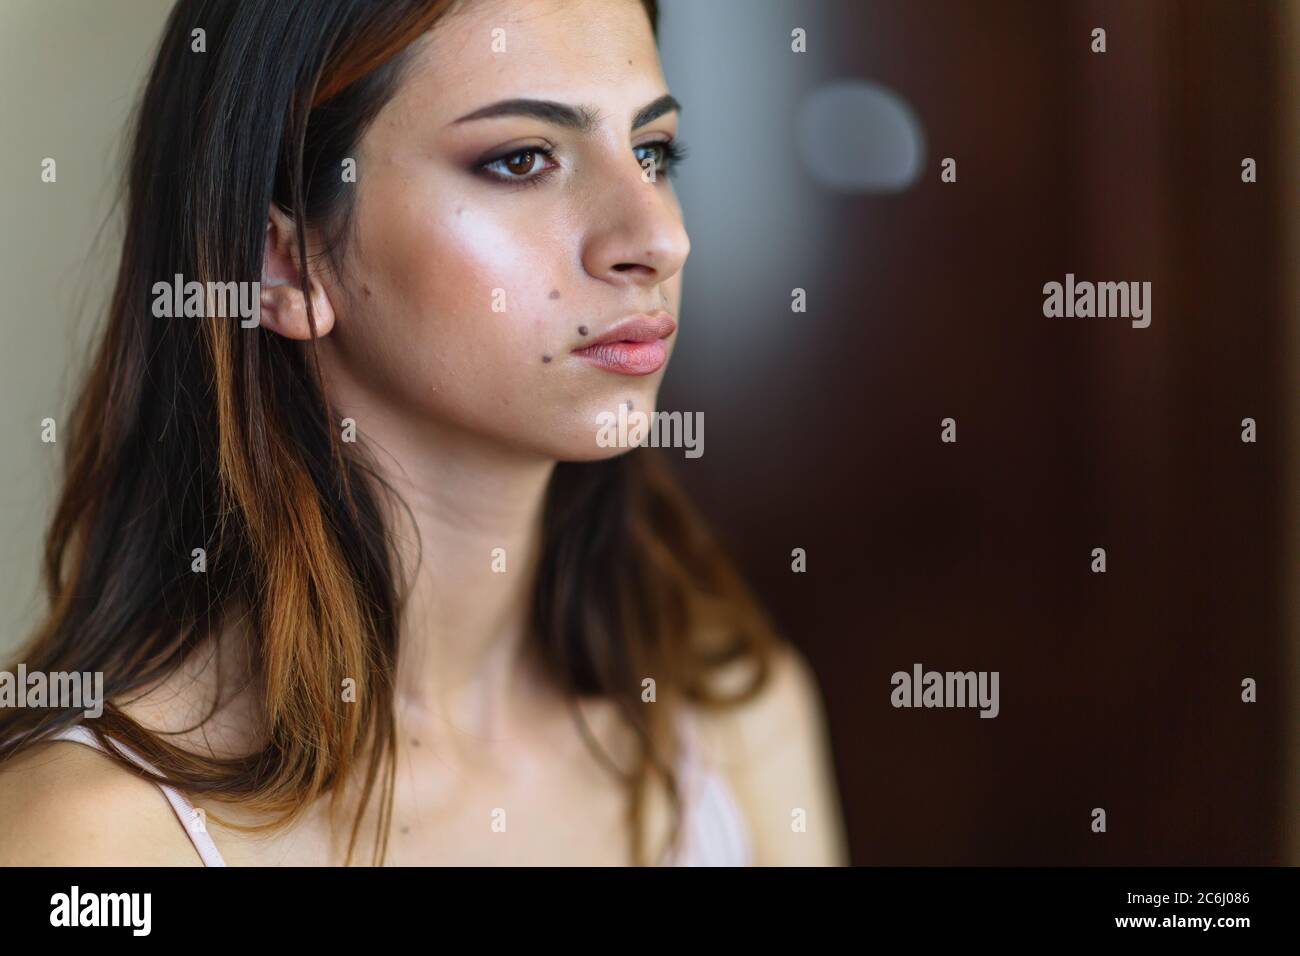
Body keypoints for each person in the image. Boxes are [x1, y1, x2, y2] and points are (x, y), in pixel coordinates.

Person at [0, 0, 847, 866]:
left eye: (652, 151)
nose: (659, 238)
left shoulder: (735, 722)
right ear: (279, 260)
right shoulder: (90, 840)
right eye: (522, 159)